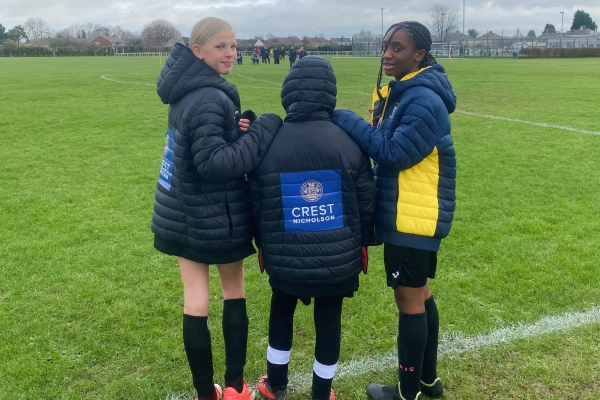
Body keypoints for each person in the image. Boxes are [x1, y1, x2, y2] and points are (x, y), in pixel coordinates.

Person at [151, 17, 282, 400]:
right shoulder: (208, 96)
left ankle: (205, 393)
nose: (231, 53)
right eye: (221, 46)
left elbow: (197, 148)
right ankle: (235, 387)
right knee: (230, 291)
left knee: (195, 299)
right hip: (215, 216)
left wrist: (235, 130)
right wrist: (261, 131)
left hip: (181, 212)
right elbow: (215, 164)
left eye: (234, 45)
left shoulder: (186, 89)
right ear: (198, 51)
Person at [332, 21, 456, 400]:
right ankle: (428, 384)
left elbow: (393, 153)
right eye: (385, 46)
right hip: (412, 214)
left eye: (397, 48)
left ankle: (406, 393)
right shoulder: (405, 93)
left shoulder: (422, 100)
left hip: (411, 216)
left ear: (419, 55)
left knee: (409, 300)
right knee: (421, 294)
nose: (387, 53)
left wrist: (346, 119)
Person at [248, 56, 376, 400]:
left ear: (288, 92)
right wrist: (363, 243)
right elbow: (367, 200)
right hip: (338, 258)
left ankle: (275, 385)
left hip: (285, 256)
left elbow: (257, 202)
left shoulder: (269, 141)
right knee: (329, 319)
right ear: (330, 93)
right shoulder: (349, 141)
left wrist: (264, 244)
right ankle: (322, 393)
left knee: (281, 310)